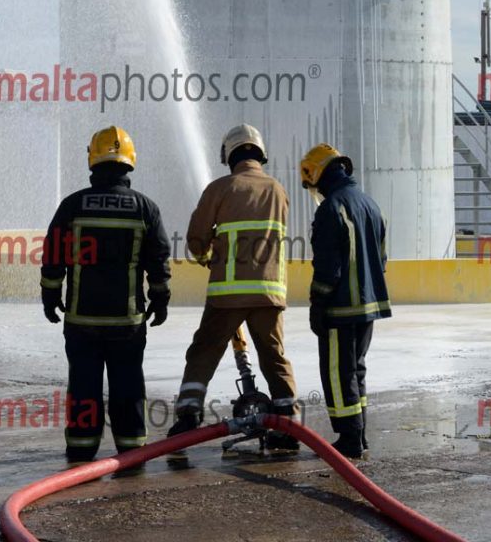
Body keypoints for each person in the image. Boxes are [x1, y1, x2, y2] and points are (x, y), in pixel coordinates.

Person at [40, 125, 171, 464]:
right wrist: (160, 298)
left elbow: (54, 254)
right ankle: (131, 450)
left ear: (93, 160)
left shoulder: (72, 205)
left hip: (82, 320)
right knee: (128, 386)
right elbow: (158, 260)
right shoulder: (145, 208)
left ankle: (81, 451)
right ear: (130, 162)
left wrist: (50, 295)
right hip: (127, 321)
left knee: (83, 387)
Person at [168, 124, 299, 451]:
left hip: (227, 295)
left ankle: (188, 415)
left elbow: (197, 239)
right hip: (269, 294)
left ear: (229, 155)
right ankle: (290, 424)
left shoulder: (220, 188)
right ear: (260, 154)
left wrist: (208, 254)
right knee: (274, 358)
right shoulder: (278, 190)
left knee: (204, 351)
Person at [301, 143, 390, 459]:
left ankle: (349, 437)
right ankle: (360, 433)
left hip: (341, 307)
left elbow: (328, 265)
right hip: (368, 306)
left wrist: (318, 303)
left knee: (339, 374)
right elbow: (382, 259)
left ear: (319, 175)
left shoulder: (331, 208)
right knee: (357, 370)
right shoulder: (370, 204)